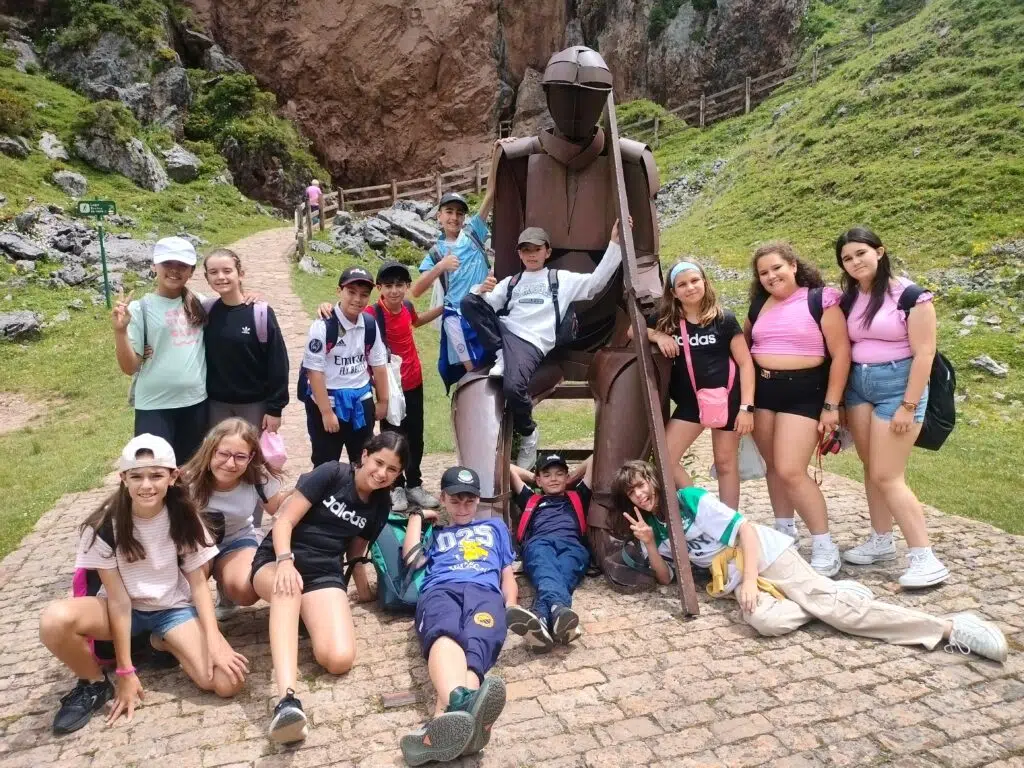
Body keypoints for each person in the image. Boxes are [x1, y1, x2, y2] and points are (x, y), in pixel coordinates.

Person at [610, 460, 1008, 663]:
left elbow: (745, 530)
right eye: (632, 494)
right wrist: (646, 543)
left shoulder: (688, 500)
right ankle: (830, 596)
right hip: (734, 579)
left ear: (654, 480)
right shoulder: (658, 529)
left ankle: (948, 627)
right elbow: (666, 579)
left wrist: (749, 581)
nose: (639, 496)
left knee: (845, 617)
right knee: (768, 622)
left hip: (763, 557)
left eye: (641, 485)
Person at [38, 434, 248, 735]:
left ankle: (158, 641)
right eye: (136, 476)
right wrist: (125, 671)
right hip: (118, 609)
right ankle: (95, 684)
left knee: (229, 682)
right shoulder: (102, 526)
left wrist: (214, 642)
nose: (146, 485)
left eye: (156, 475)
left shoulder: (186, 518)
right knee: (54, 620)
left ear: (173, 477)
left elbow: (199, 585)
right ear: (123, 478)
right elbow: (118, 601)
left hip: (171, 609)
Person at [250, 432, 407, 744]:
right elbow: (283, 522)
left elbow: (356, 549)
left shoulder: (380, 504)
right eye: (379, 462)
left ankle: (304, 618)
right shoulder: (331, 473)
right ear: (365, 455)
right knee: (289, 589)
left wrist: (363, 589)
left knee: (339, 659)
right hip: (279, 559)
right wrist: (284, 561)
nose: (382, 473)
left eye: (392, 470)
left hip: (324, 574)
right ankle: (287, 700)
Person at [461, 219, 626, 469]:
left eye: (537, 249)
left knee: (514, 388)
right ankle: (500, 352)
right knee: (468, 302)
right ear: (519, 254)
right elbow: (485, 307)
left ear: (547, 252)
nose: (531, 255)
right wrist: (481, 290)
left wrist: (614, 244)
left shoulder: (559, 279)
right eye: (526, 250)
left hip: (532, 341)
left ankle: (528, 434)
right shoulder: (512, 282)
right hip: (506, 332)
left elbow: (595, 284)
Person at [835, 227, 948, 588]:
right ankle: (881, 540)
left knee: (888, 475)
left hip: (898, 388)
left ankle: (924, 557)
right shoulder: (851, 298)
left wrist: (908, 405)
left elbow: (925, 353)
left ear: (879, 252)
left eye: (860, 254)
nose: (855, 262)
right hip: (859, 387)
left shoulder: (911, 296)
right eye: (847, 258)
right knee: (871, 469)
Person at [743, 242, 851, 576]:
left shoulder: (820, 299)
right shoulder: (758, 306)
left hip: (805, 392)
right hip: (765, 391)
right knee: (773, 467)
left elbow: (841, 353)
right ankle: (784, 531)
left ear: (793, 265)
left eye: (776, 268)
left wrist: (832, 405)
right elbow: (745, 349)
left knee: (791, 469)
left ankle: (824, 543)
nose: (771, 276)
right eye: (763, 273)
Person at [399, 466, 515, 765]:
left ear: (478, 501)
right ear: (443, 499)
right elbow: (411, 557)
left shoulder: (496, 528)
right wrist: (417, 516)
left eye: (469, 501)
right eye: (455, 501)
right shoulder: (435, 533)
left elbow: (507, 574)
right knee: (445, 632)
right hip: (442, 588)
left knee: (478, 647)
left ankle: (438, 730)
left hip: (485, 592)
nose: (462, 507)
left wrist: (511, 606)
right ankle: (462, 710)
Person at [636, 260, 756, 508]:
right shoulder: (666, 319)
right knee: (665, 459)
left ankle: (728, 523)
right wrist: (658, 335)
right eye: (682, 284)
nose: (690, 288)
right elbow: (632, 331)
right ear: (673, 292)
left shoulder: (723, 319)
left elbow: (745, 363)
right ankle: (702, 508)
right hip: (691, 402)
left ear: (704, 282)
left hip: (726, 399)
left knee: (725, 463)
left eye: (694, 281)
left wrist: (746, 408)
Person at [411, 140, 507, 389]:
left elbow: (491, 193)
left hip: (484, 309)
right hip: (455, 317)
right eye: (449, 212)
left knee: (496, 364)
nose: (454, 217)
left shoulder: (474, 232)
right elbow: (417, 290)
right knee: (472, 374)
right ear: (440, 215)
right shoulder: (435, 252)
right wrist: (440, 266)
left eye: (459, 213)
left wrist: (497, 151)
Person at [112, 236, 208, 464]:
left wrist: (252, 298)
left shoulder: (201, 304)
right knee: (154, 471)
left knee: (191, 474)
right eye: (167, 264)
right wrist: (120, 331)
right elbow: (130, 367)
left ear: (192, 271)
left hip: (196, 403)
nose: (174, 271)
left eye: (182, 265)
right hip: (154, 407)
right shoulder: (140, 308)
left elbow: (234, 304)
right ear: (154, 266)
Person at [180, 418, 286, 618]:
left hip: (236, 540)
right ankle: (188, 618)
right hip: (195, 545)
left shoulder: (258, 478)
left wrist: (309, 491)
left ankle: (226, 588)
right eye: (224, 454)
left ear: (251, 456)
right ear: (210, 450)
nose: (230, 463)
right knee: (183, 586)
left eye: (240, 456)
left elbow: (278, 509)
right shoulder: (187, 480)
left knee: (245, 589)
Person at [364, 260, 442, 511]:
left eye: (399, 285)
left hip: (413, 380)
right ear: (379, 288)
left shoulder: (407, 307)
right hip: (390, 386)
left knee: (416, 436)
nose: (394, 291)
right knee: (393, 437)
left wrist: (444, 308)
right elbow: (347, 319)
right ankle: (395, 487)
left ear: (407, 287)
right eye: (388, 286)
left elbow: (417, 322)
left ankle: (414, 484)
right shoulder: (372, 314)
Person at [300, 266, 389, 468]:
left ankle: (361, 500)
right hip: (328, 401)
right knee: (325, 462)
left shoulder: (369, 324)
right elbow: (314, 372)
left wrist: (383, 401)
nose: (357, 299)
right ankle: (323, 499)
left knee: (363, 460)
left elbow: (379, 365)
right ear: (339, 291)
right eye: (351, 292)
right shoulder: (322, 326)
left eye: (364, 295)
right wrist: (326, 413)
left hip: (361, 400)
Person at [506, 454, 593, 651]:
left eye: (559, 474)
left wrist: (572, 479)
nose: (553, 479)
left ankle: (541, 617)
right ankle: (559, 610)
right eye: (547, 475)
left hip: (573, 546)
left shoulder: (577, 495)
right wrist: (534, 477)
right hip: (539, 543)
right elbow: (509, 468)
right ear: (538, 480)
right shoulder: (531, 498)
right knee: (545, 568)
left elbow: (596, 459)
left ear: (567, 476)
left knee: (565, 572)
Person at [202, 248, 290, 435]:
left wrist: (275, 408)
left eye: (227, 271)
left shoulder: (260, 313)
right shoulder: (206, 311)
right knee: (220, 459)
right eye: (213, 272)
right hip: (216, 405)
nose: (221, 277)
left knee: (253, 460)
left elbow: (278, 363)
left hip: (254, 406)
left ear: (240, 274)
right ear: (206, 277)